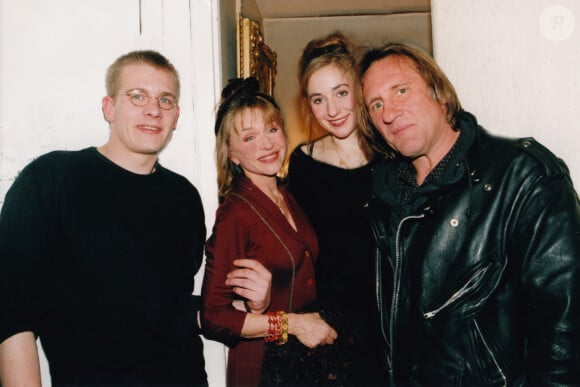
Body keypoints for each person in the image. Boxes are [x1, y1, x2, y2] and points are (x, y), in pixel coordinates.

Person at [359, 42, 580, 385]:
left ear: (440, 95)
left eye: (401, 91)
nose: (389, 112)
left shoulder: (521, 177)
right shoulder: (379, 200)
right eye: (376, 104)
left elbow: (565, 330)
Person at [0, 50, 208, 386]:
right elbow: (10, 309)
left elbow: (170, 306)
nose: (153, 109)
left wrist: (242, 304)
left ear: (176, 115)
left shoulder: (184, 196)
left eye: (165, 100)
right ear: (109, 107)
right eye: (137, 96)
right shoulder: (52, 179)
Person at [200, 77, 338, 387]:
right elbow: (214, 316)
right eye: (249, 137)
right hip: (262, 368)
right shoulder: (236, 212)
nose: (266, 144)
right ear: (232, 155)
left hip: (301, 364)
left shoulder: (287, 195)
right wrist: (294, 324)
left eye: (272, 130)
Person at [285, 31, 387, 385]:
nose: (332, 110)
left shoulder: (394, 156)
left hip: (391, 324)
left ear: (359, 90)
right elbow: (292, 247)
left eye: (341, 93)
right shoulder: (302, 163)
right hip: (328, 330)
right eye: (318, 99)